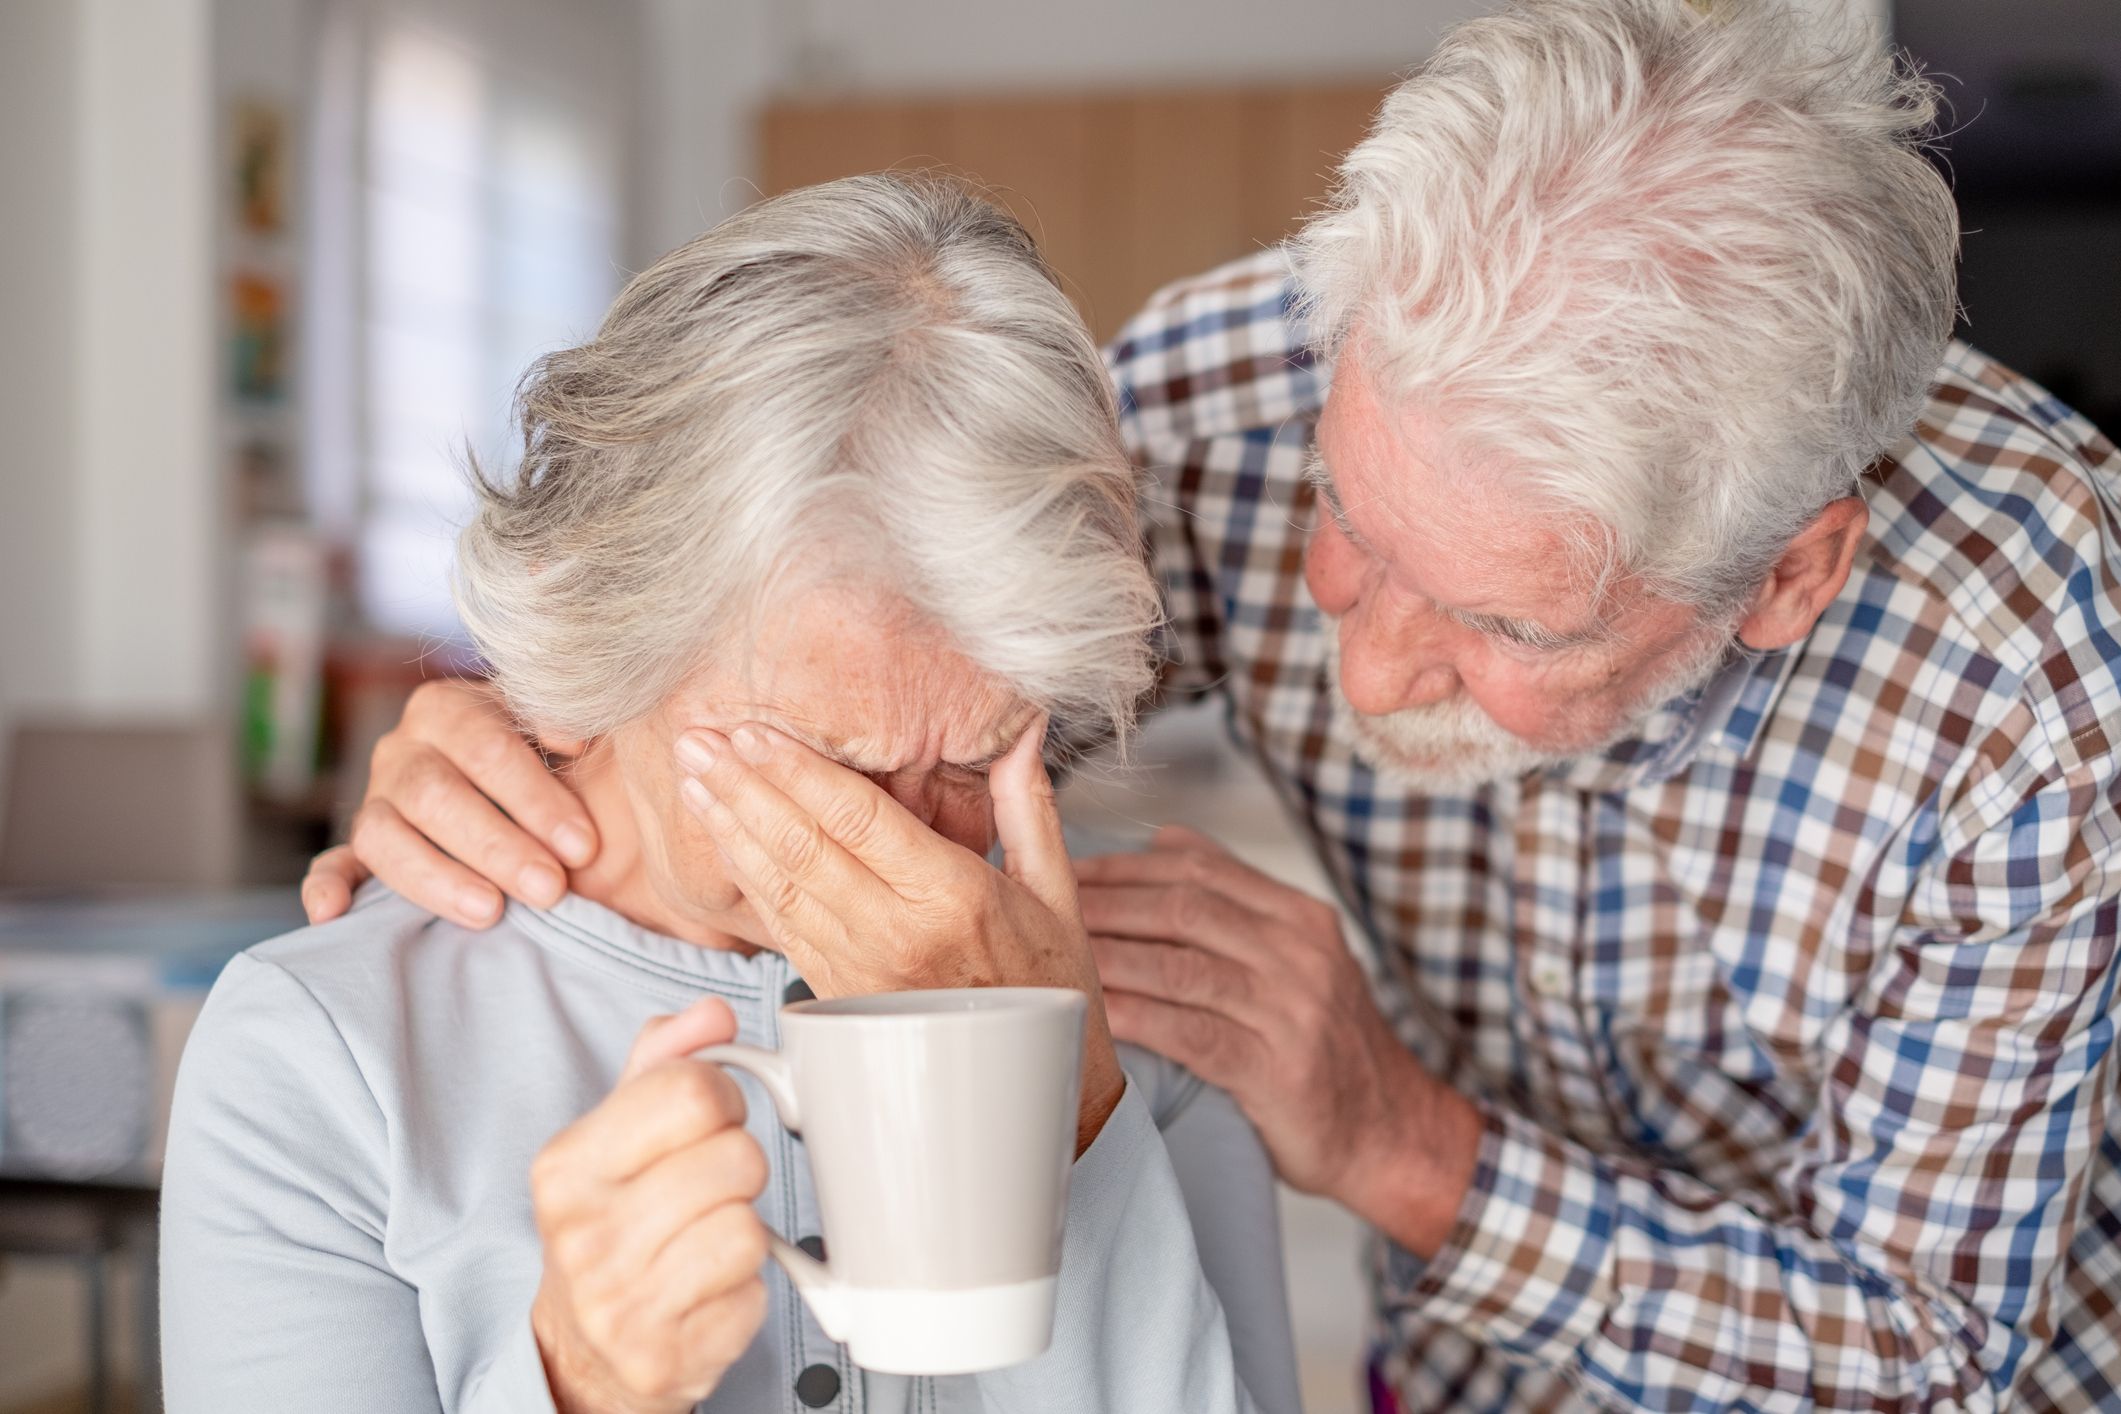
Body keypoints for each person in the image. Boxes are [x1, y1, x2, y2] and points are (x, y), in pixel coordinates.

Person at [306, 1, 2121, 1409]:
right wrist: (548, 720)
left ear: (1787, 577)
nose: (1367, 658)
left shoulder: (2038, 674)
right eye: (1347, 518)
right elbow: (855, 606)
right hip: (1463, 1367)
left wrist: (1398, 1138)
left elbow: (1935, 1347)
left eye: (1497, 618)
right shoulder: (1238, 386)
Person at [161, 174, 1302, 1414]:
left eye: (974, 764)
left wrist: (1070, 1112)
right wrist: (575, 1386)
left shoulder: (1159, 1007)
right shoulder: (318, 1054)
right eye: (827, 766)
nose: (916, 868)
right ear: (588, 658)